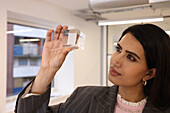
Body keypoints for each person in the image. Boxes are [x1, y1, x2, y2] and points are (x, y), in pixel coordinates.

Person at [15, 24, 170, 113]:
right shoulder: (84, 96)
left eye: (131, 57)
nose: (115, 60)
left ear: (150, 73)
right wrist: (47, 70)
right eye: (119, 49)